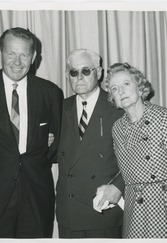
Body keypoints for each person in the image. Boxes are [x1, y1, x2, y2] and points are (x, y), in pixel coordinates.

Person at [0, 27, 63, 238]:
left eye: (24, 54)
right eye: (11, 53)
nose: (17, 61)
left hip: (36, 195)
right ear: (0, 53)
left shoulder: (50, 93)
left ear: (33, 57)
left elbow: (56, 142)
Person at [56, 48, 124, 238]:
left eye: (86, 71)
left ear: (99, 73)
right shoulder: (59, 108)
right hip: (69, 211)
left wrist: (118, 187)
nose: (79, 77)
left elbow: (138, 157)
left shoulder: (117, 107)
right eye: (73, 72)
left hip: (104, 208)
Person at [106, 62, 167, 238]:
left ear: (140, 87)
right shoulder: (117, 128)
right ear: (112, 98)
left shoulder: (162, 117)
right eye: (114, 89)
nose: (120, 91)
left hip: (166, 203)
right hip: (134, 208)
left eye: (126, 84)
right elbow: (126, 172)